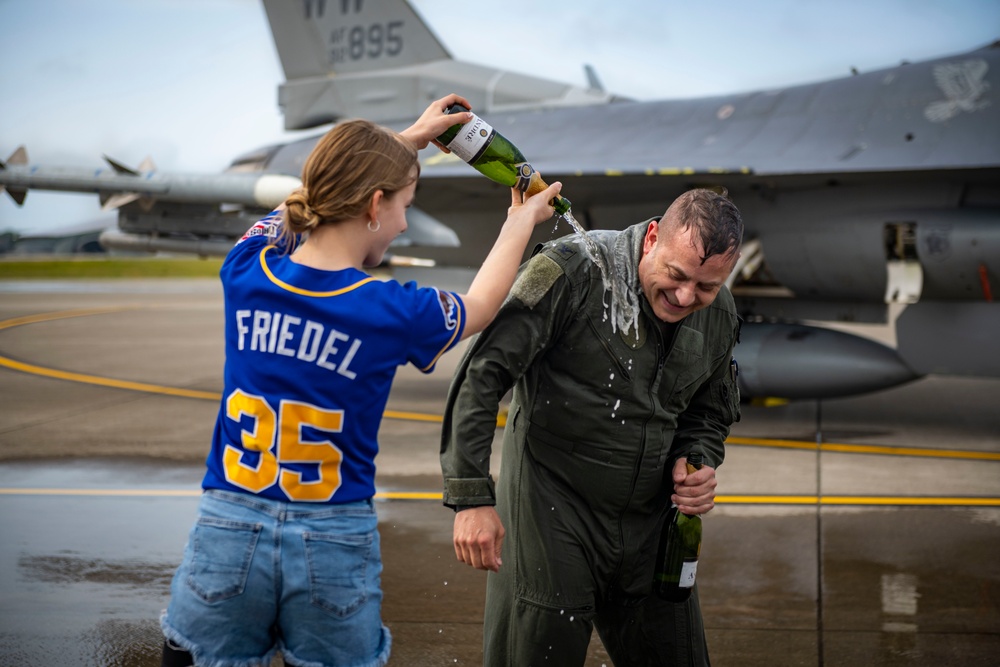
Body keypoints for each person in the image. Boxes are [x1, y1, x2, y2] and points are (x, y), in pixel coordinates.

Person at [159, 93, 562, 667]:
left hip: (229, 526)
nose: (402, 223)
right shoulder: (388, 309)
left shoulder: (246, 269)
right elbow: (479, 305)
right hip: (331, 538)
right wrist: (520, 222)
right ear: (375, 205)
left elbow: (297, 205)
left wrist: (404, 141)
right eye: (404, 204)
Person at [440, 188, 744, 666]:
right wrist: (471, 497)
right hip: (551, 513)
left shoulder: (719, 313)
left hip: (650, 525)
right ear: (651, 239)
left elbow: (707, 410)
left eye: (706, 287)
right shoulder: (573, 270)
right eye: (676, 275)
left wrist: (698, 460)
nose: (687, 296)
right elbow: (483, 372)